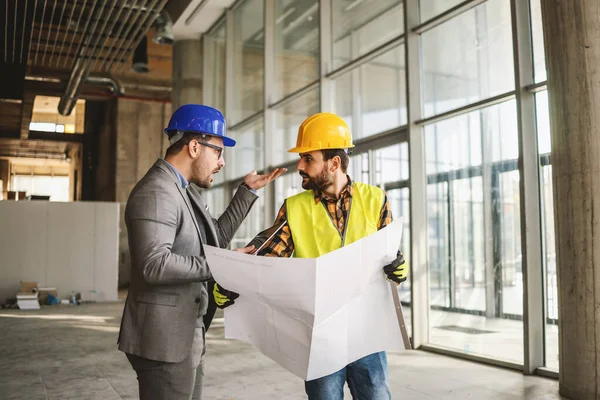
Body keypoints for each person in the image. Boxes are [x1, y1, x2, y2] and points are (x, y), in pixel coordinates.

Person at [213, 112, 408, 400]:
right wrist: (233, 279)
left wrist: (399, 268)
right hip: (320, 335)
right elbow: (268, 254)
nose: (300, 166)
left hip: (367, 332)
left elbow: (390, 255)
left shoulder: (375, 199)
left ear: (334, 162)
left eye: (308, 159)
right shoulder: (294, 207)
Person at [118, 104, 285, 400]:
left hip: (184, 334)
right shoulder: (156, 191)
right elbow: (153, 265)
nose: (221, 163)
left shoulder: (182, 191)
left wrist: (246, 193)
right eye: (218, 152)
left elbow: (214, 239)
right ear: (195, 146)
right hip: (163, 341)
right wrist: (224, 263)